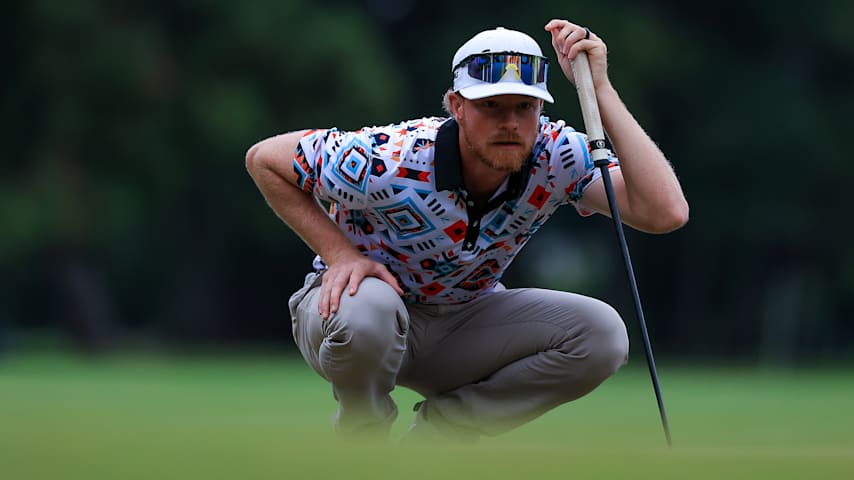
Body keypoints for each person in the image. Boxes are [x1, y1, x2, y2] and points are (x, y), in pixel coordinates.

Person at [245, 19, 688, 442]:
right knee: (371, 310)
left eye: (524, 107)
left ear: (540, 109)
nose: (510, 123)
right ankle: (364, 445)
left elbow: (664, 211)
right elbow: (265, 158)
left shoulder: (556, 156)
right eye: (490, 106)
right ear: (456, 106)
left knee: (602, 334)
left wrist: (601, 90)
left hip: (461, 322)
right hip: (349, 319)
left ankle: (439, 440)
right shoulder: (390, 158)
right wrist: (340, 254)